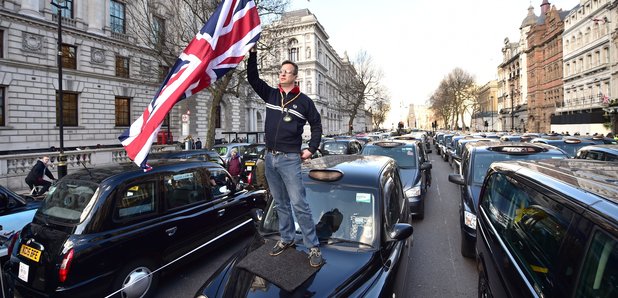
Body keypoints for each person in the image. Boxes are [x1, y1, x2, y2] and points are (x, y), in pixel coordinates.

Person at [247, 46, 324, 267]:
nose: (282, 74)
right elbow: (253, 78)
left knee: (299, 203)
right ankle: (287, 238)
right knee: (280, 202)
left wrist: (312, 148)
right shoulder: (271, 94)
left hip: (290, 158)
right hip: (270, 158)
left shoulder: (304, 101)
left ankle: (313, 247)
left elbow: (316, 124)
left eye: (287, 71)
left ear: (295, 76)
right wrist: (252, 55)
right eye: (281, 71)